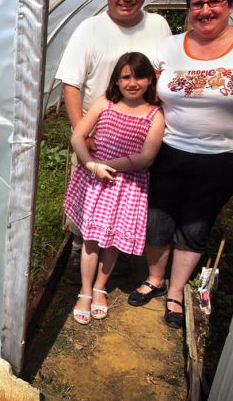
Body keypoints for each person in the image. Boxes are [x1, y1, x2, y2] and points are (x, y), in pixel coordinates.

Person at [127, 0, 233, 328]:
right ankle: (155, 279)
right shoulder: (169, 47)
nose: (205, 10)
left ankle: (176, 291)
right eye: (197, 3)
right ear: (189, 10)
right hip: (169, 151)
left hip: (226, 158)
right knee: (157, 219)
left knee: (196, 225)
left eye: (214, 1)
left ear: (229, 5)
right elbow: (147, 99)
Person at [55, 0, 172, 281]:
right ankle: (80, 251)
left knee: (127, 198)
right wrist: (82, 129)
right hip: (99, 133)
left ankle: (115, 252)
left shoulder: (158, 25)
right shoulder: (90, 28)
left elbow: (163, 75)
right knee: (89, 195)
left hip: (140, 132)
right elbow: (71, 83)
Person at [65, 52, 165, 324]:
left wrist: (107, 164)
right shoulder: (105, 103)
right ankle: (85, 291)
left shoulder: (155, 115)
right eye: (126, 77)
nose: (132, 83)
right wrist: (90, 165)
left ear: (149, 80)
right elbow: (78, 136)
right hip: (97, 181)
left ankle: (100, 287)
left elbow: (147, 157)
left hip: (128, 186)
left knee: (112, 241)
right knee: (91, 239)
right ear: (117, 81)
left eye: (139, 76)